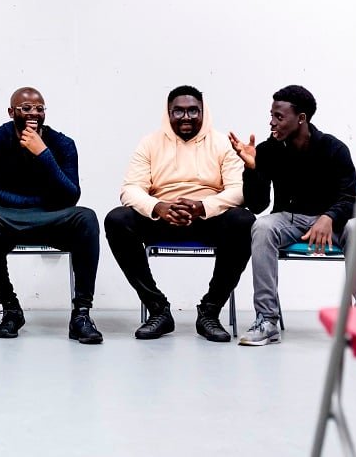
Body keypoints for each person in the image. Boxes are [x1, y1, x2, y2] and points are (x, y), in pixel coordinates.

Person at [229, 84, 356, 346]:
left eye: (279, 116)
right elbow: (257, 204)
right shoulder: (268, 150)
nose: (272, 122)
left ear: (301, 118)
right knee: (262, 227)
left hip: (333, 223)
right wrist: (252, 168)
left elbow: (350, 199)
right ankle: (266, 320)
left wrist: (328, 216)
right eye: (271, 115)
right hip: (288, 220)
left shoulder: (334, 149)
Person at [105, 85, 253, 342]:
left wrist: (202, 207)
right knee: (117, 219)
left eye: (193, 110)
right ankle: (158, 309)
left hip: (207, 217)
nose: (186, 117)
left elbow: (239, 191)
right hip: (163, 217)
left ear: (203, 112)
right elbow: (130, 189)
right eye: (179, 111)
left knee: (244, 220)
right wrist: (158, 208)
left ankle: (210, 311)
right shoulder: (150, 143)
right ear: (169, 113)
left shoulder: (222, 143)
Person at [0, 87, 103, 344]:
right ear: (11, 112)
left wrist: (43, 153)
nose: (34, 113)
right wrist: (38, 203)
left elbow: (71, 195)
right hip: (10, 220)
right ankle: (10, 307)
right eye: (26, 108)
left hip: (53, 219)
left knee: (86, 217)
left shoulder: (62, 143)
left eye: (39, 108)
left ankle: (81, 314)